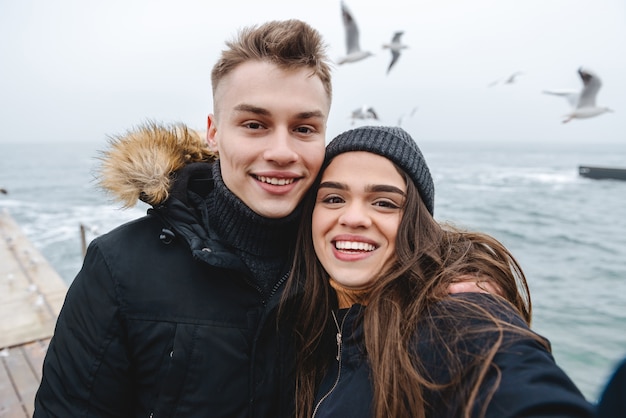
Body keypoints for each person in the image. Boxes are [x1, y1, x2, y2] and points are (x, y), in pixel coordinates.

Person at [34, 19, 332, 417]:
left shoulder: (354, 263)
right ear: (213, 132)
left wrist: (438, 271)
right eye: (254, 125)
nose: (281, 151)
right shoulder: (119, 267)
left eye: (304, 128)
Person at [281, 125, 596, 418]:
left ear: (415, 223)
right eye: (334, 198)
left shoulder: (456, 316)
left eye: (384, 203)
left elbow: (518, 385)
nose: (354, 217)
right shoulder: (305, 320)